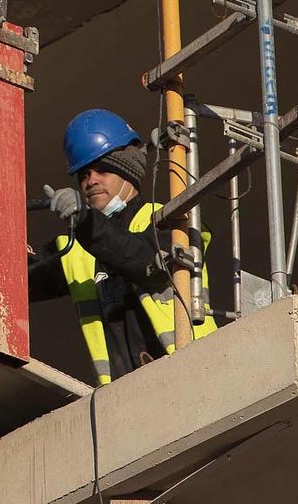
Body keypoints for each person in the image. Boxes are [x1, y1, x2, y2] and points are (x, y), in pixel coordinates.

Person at [28, 109, 216, 386]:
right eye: (83, 174)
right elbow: (17, 280)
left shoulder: (172, 221)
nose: (90, 181)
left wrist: (84, 221)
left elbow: (139, 259)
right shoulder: (75, 248)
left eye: (102, 169)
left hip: (194, 376)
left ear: (127, 169)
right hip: (126, 397)